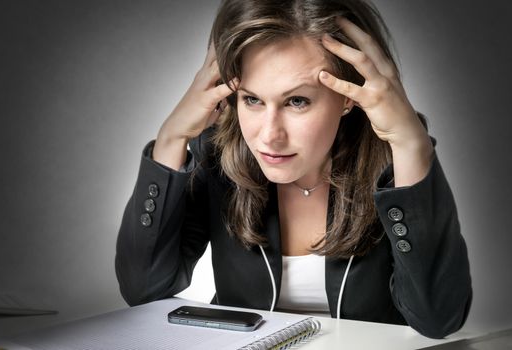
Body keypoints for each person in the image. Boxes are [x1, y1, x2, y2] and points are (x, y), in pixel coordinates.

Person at [115, 0, 472, 339]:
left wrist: (411, 147)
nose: (269, 136)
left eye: (297, 101)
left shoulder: (395, 160)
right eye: (252, 99)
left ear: (349, 95)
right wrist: (171, 137)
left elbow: (438, 317)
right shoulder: (216, 155)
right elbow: (145, 289)